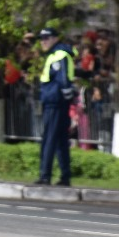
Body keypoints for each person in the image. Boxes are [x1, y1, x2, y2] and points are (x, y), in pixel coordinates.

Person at [33, 27, 77, 186]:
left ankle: (45, 175)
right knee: (60, 140)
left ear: (55, 38)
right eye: (41, 38)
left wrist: (65, 96)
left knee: (49, 139)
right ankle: (65, 176)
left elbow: (63, 79)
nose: (43, 41)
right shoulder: (56, 54)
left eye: (46, 38)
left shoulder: (59, 55)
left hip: (55, 102)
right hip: (57, 101)